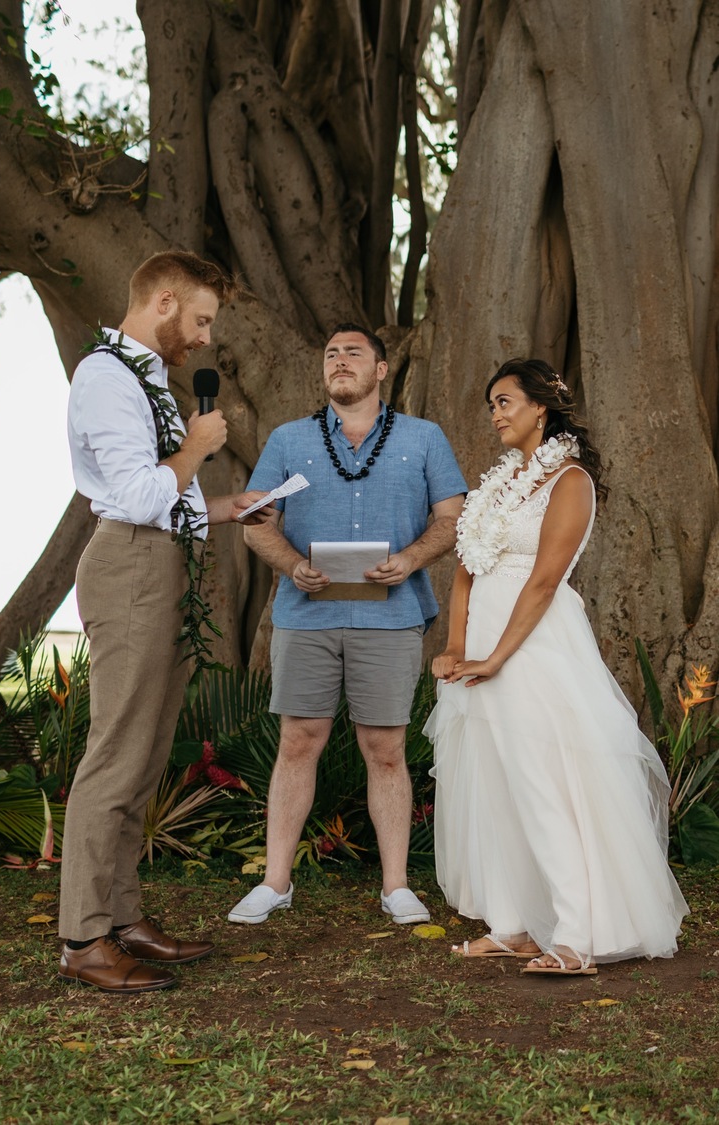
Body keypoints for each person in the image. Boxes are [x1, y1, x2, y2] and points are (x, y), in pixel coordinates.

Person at [425, 358, 688, 975]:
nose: (495, 414)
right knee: (495, 782)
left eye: (505, 402)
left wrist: (497, 657)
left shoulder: (569, 480)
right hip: (483, 645)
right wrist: (457, 647)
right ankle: (513, 924)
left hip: (534, 644)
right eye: (490, 404)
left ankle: (574, 933)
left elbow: (544, 581)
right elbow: (465, 566)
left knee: (544, 782)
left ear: (541, 407)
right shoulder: (496, 485)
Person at [58, 250, 272, 993]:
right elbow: (139, 495)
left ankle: (122, 919)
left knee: (146, 752)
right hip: (130, 568)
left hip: (163, 559)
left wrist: (224, 507)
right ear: (165, 302)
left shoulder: (145, 375)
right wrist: (195, 448)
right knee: (116, 750)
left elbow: (163, 495)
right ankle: (83, 936)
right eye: (203, 319)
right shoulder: (105, 377)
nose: (207, 338)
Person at [227, 324, 467, 926]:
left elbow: (452, 516)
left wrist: (410, 559)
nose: (339, 361)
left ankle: (395, 887)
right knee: (297, 741)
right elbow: (256, 519)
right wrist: (294, 564)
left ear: (380, 370)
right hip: (306, 615)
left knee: (385, 749)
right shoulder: (289, 439)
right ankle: (275, 882)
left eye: (352, 353)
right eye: (330, 353)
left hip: (391, 618)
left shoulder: (423, 438)